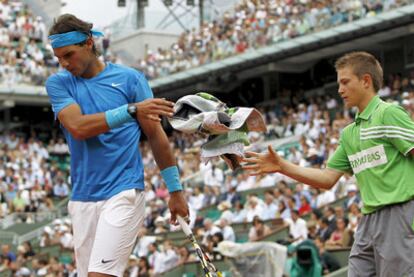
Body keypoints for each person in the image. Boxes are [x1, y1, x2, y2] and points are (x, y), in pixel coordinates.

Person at [243, 51, 414, 277]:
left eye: (345, 82)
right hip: (367, 221)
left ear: (366, 81)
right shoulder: (349, 133)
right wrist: (283, 166)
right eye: (338, 83)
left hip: (399, 215)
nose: (340, 90)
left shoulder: (389, 114)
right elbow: (327, 179)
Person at [45, 14, 189, 277]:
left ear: (88, 43)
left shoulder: (131, 79)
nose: (64, 64)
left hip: (123, 191)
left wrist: (175, 190)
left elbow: (156, 137)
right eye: (58, 58)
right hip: (81, 199)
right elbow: (77, 127)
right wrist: (132, 110)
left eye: (69, 55)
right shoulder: (58, 83)